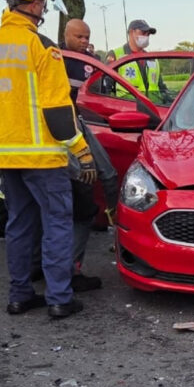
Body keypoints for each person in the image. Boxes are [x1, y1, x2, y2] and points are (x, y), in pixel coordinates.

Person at [0, 0, 96, 318]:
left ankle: (20, 295)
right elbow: (57, 110)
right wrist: (81, 152)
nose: (43, 8)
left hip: (7, 160)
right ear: (33, 1)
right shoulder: (42, 47)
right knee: (56, 224)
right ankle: (59, 297)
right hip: (44, 160)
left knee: (20, 225)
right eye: (41, 1)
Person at [60, 18, 119, 291]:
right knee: (82, 194)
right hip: (63, 132)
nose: (84, 41)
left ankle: (116, 225)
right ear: (66, 35)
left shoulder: (91, 62)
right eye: (79, 37)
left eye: (87, 37)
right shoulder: (58, 59)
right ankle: (72, 270)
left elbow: (105, 97)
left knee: (108, 175)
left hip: (81, 124)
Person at [110, 18, 170, 103]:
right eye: (143, 33)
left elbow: (161, 87)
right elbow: (106, 88)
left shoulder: (152, 59)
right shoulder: (116, 55)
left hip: (155, 109)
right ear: (131, 32)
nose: (146, 36)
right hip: (129, 110)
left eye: (148, 34)